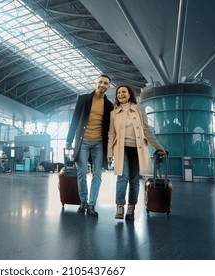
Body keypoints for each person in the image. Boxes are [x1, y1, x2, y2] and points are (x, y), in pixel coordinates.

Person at [107, 85, 165, 220]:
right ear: (116, 96)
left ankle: (131, 208)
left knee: (134, 180)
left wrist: (158, 146)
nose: (121, 94)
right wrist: (109, 153)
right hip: (122, 150)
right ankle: (120, 206)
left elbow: (146, 130)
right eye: (118, 92)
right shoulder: (113, 113)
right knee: (122, 176)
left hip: (137, 149)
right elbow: (111, 134)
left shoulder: (140, 109)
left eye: (123, 92)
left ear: (129, 94)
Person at [66, 74, 114, 217]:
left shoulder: (109, 105)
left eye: (105, 83)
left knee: (97, 174)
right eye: (100, 82)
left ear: (108, 86)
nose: (102, 85)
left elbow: (111, 128)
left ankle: (92, 204)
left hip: (99, 143)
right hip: (83, 141)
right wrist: (69, 141)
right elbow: (75, 120)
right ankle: (83, 201)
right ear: (95, 83)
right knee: (81, 172)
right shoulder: (83, 99)